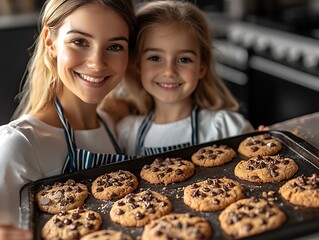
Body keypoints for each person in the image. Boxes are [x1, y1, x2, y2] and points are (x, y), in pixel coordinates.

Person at [0, 0, 136, 239]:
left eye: (114, 46)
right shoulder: (20, 144)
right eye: (80, 41)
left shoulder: (114, 126)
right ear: (50, 42)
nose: (96, 63)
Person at [111, 0, 255, 156]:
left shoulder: (226, 127)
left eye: (184, 59)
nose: (169, 71)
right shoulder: (127, 133)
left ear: (201, 67)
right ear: (137, 64)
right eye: (155, 58)